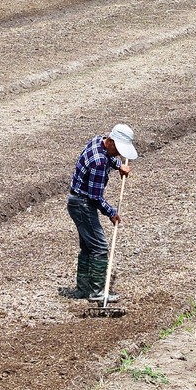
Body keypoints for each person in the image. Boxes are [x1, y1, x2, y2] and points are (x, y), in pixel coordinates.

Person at [67, 124, 137, 301]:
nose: (118, 154)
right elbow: (95, 197)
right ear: (111, 141)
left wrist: (119, 166)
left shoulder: (98, 140)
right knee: (99, 247)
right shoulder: (99, 162)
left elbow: (108, 157)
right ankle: (97, 292)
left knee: (88, 247)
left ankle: (83, 290)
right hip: (83, 204)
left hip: (76, 201)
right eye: (118, 150)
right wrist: (111, 213)